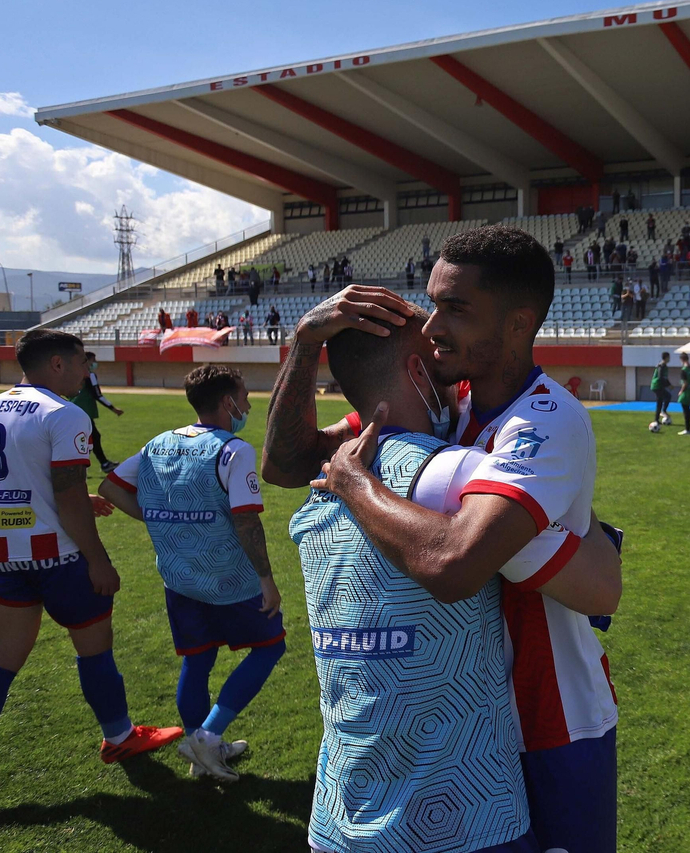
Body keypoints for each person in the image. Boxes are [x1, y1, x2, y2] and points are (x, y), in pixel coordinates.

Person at [263, 227, 623, 853]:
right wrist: (306, 341)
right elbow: (286, 462)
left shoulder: (546, 419)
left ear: (518, 324)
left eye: (456, 309)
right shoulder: (443, 402)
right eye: (432, 303)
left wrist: (355, 485)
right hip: (463, 718)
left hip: (550, 711)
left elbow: (455, 563)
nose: (432, 327)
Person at [0, 329, 182, 820]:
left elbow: (24, 481)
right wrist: (97, 558)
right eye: (81, 364)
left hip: (4, 556)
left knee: (1, 662)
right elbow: (66, 492)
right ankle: (118, 737)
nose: (88, 373)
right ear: (56, 365)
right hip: (60, 559)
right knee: (94, 649)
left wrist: (72, 500)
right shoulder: (66, 414)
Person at [97, 365, 284, 783]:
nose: (249, 405)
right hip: (230, 579)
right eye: (244, 397)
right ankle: (208, 736)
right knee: (270, 647)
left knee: (197, 661)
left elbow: (110, 487)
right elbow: (247, 522)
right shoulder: (234, 450)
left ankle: (205, 750)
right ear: (226, 403)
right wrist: (267, 580)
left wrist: (159, 521)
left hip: (179, 578)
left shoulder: (157, 444)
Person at [71, 352, 124, 473]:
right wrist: (113, 408)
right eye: (93, 360)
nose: (95, 363)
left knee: (90, 437)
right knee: (92, 437)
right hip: (84, 410)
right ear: (87, 361)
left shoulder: (74, 374)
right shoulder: (90, 375)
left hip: (75, 409)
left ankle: (101, 463)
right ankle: (96, 464)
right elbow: (97, 395)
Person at [650, 351, 673, 431]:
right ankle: (663, 411)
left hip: (659, 386)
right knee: (667, 396)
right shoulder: (661, 366)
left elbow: (665, 378)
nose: (670, 359)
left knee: (660, 401)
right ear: (666, 357)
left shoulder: (664, 366)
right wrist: (668, 385)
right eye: (669, 357)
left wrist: (668, 384)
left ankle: (657, 419)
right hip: (657, 385)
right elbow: (660, 377)